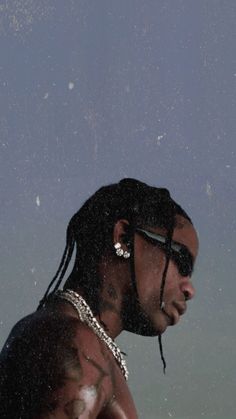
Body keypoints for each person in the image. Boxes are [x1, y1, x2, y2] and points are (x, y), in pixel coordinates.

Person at [0, 178, 198, 419]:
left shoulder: (76, 340)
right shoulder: (76, 345)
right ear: (124, 238)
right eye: (182, 261)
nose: (189, 288)